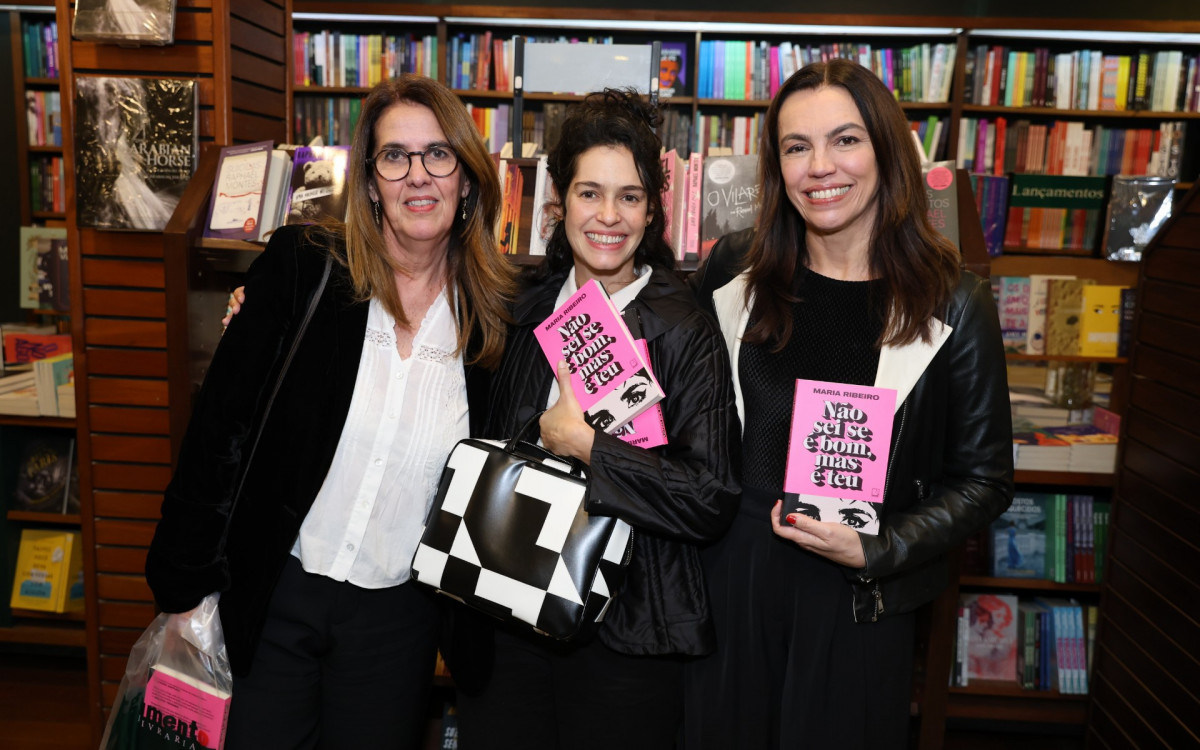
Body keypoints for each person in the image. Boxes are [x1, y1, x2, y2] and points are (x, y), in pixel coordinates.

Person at [145, 74, 517, 749]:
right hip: (275, 595)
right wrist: (185, 589)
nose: (418, 176)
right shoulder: (304, 269)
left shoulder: (496, 325)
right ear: (370, 181)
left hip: (398, 620)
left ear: (466, 178)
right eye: (394, 156)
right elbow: (218, 432)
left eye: (439, 154)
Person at [683, 58, 1014, 749]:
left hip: (858, 594)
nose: (819, 167)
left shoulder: (954, 300)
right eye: (796, 147)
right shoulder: (732, 271)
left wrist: (879, 547)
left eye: (845, 140)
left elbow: (984, 480)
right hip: (730, 577)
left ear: (885, 150)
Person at [452, 88, 741, 749]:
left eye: (630, 196)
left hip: (625, 632)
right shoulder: (518, 309)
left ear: (652, 211)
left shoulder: (684, 330)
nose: (608, 215)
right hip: (505, 612)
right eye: (590, 193)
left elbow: (711, 496)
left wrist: (588, 446)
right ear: (559, 201)